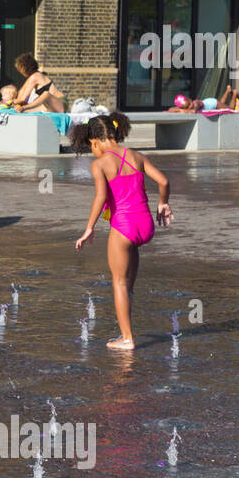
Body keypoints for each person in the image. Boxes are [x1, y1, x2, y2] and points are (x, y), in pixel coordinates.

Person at [71, 113, 173, 352]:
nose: (92, 151)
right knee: (127, 286)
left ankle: (127, 338)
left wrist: (89, 228)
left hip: (123, 227)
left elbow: (101, 197)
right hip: (145, 225)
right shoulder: (136, 156)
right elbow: (164, 182)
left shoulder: (100, 163)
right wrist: (162, 203)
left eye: (90, 146)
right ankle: (125, 328)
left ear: (95, 141)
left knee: (118, 283)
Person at [166, 87, 239, 113]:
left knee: (230, 109)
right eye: (186, 107)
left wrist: (180, 110)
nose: (189, 106)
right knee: (222, 104)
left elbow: (193, 111)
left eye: (189, 104)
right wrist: (179, 109)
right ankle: (227, 91)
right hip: (209, 102)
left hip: (213, 103)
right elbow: (170, 109)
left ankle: (234, 93)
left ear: (190, 99)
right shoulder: (187, 106)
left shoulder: (196, 104)